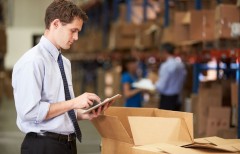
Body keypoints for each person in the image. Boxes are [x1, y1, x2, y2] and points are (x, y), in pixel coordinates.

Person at [12, 1, 111, 154]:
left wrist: (80, 113)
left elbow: (57, 107)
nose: (76, 37)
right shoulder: (33, 61)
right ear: (56, 24)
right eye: (73, 30)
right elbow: (30, 112)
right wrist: (73, 103)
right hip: (43, 146)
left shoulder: (64, 62)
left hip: (67, 145)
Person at [155, 43, 186, 111]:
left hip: (167, 100)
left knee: (166, 121)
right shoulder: (180, 65)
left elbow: (161, 86)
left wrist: (154, 83)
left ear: (164, 52)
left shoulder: (165, 66)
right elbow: (183, 79)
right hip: (177, 98)